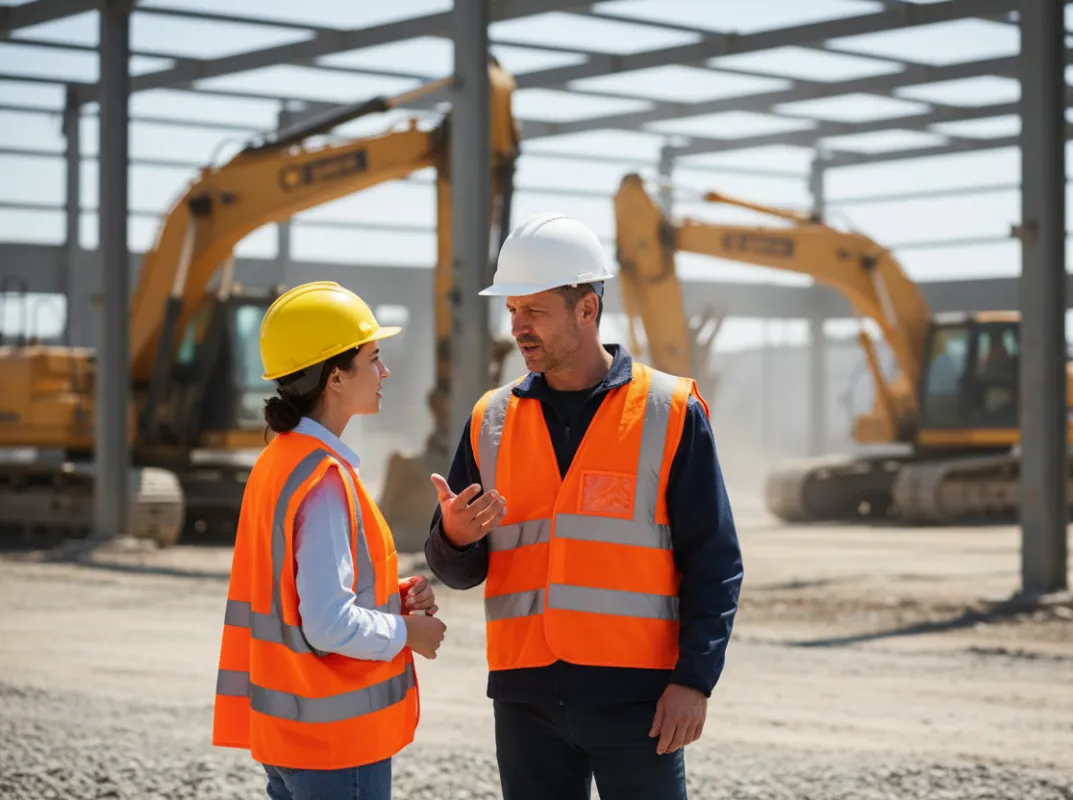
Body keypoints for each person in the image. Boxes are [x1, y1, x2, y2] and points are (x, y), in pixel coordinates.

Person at [424, 213, 744, 800]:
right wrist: (454, 537)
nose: (519, 327)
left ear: (586, 311)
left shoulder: (669, 411)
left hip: (638, 700)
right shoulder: (489, 420)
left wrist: (695, 681)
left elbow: (715, 560)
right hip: (526, 699)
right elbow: (458, 570)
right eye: (513, 310)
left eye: (535, 312)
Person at [212, 280, 447, 800]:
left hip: (290, 734)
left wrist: (393, 597)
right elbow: (327, 624)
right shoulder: (322, 481)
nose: (384, 372)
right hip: (337, 746)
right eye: (374, 358)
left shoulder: (281, 462)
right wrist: (407, 633)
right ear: (336, 377)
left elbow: (296, 594)